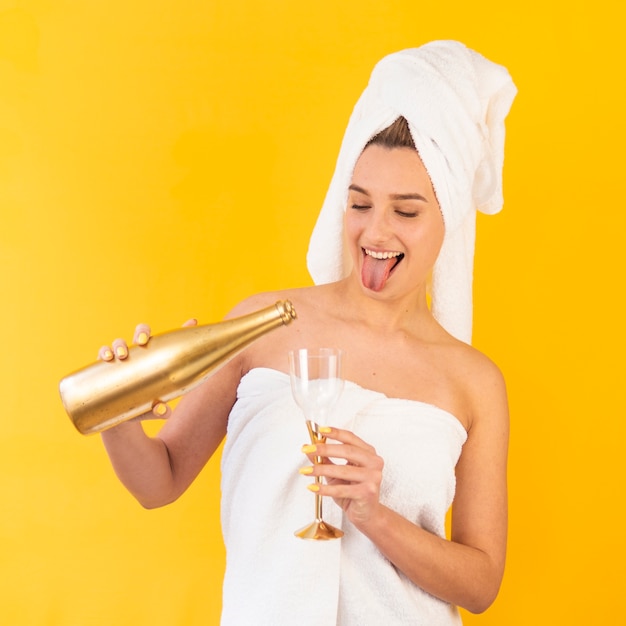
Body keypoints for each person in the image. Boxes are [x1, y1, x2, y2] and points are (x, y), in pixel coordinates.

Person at [98, 40, 516, 625]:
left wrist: (374, 514)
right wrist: (117, 413)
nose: (376, 230)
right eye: (359, 203)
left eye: (407, 210)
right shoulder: (263, 324)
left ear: (449, 218)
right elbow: (158, 481)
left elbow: (480, 584)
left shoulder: (473, 381)